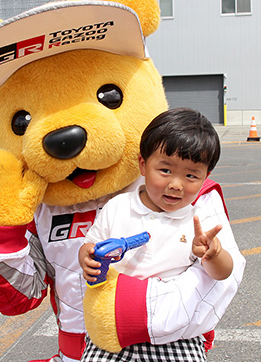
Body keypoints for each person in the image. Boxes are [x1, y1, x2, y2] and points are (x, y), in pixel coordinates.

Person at [79, 108, 241, 361]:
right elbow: (91, 244)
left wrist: (214, 253)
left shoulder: (199, 219)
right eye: (165, 170)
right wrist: (86, 258)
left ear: (206, 177)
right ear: (143, 165)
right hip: (114, 328)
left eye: (190, 175)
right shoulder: (118, 207)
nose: (176, 184)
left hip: (175, 333)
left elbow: (224, 273)